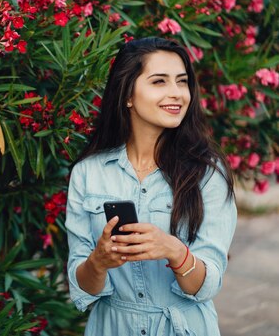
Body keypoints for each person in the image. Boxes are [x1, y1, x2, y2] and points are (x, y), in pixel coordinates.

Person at [65, 37, 237, 336]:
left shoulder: (208, 173)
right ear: (127, 94)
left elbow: (208, 285)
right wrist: (99, 261)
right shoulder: (88, 173)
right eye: (159, 81)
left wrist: (173, 250)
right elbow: (82, 288)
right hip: (111, 327)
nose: (177, 94)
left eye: (182, 82)